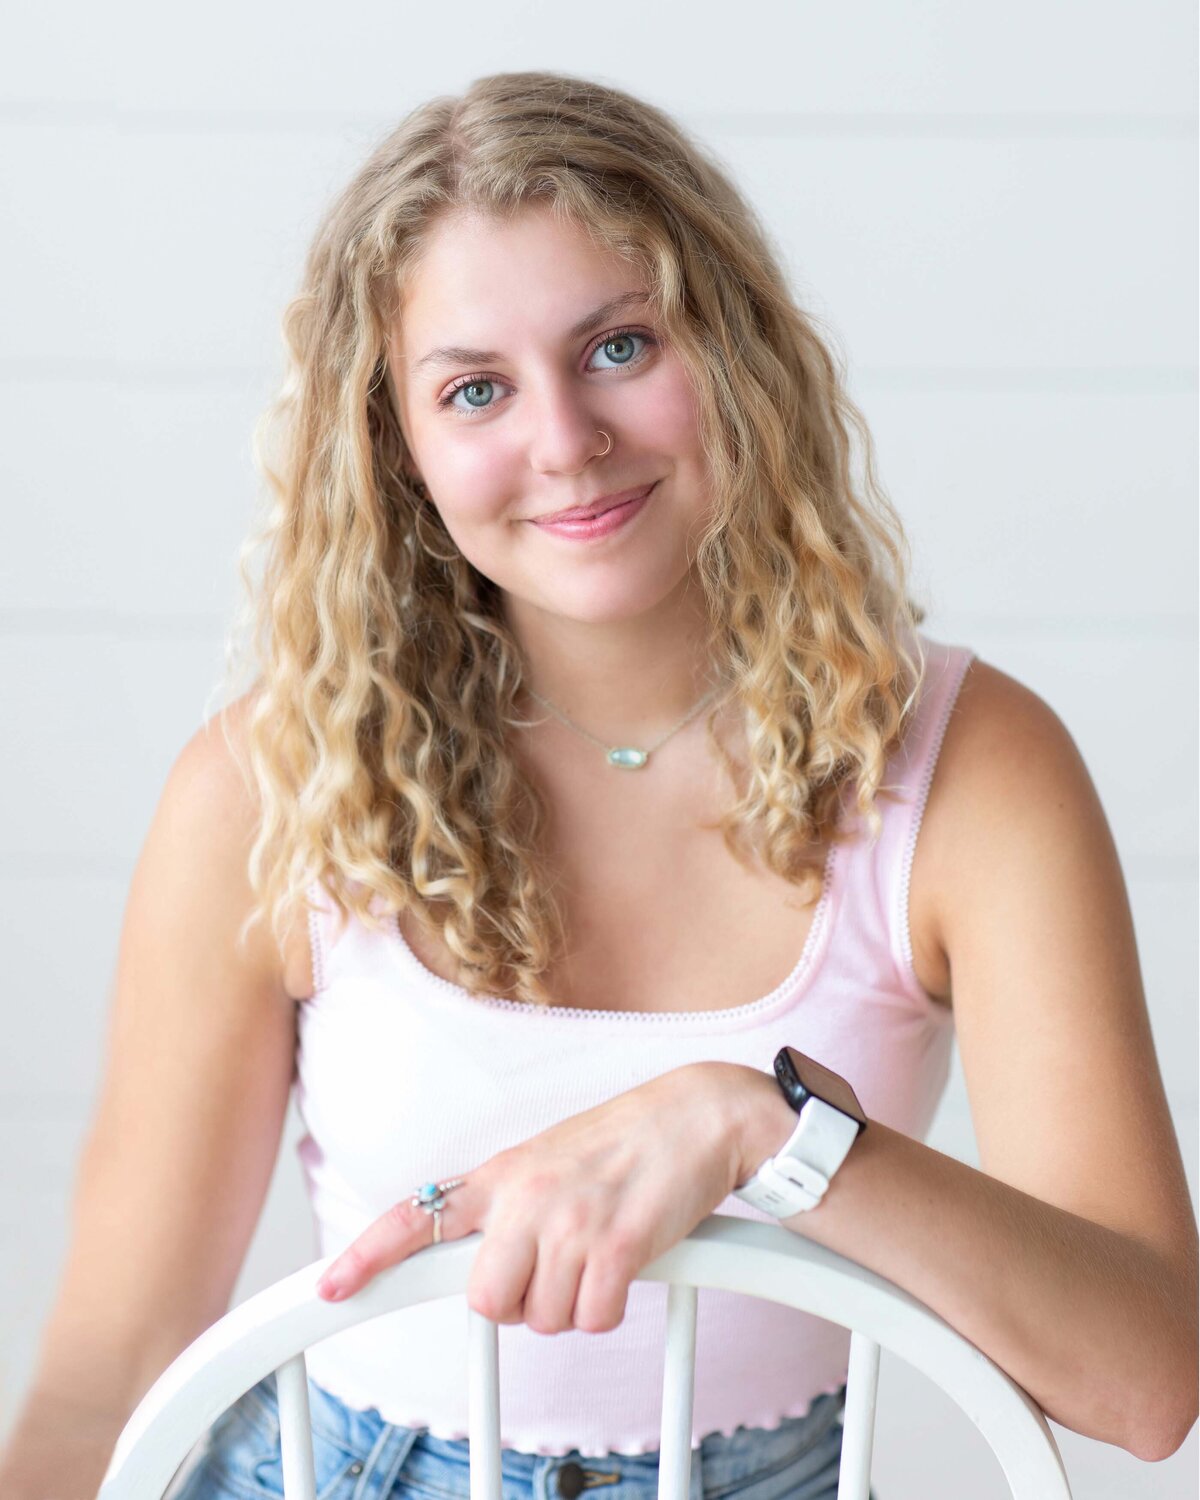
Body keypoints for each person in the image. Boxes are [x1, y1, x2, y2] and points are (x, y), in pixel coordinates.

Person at [2, 70, 1195, 1500]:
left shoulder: (969, 768)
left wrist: (759, 1123)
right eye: (477, 390)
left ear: (736, 352)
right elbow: (107, 1370)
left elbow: (1144, 1385)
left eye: (620, 345)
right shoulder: (272, 785)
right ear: (397, 445)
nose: (565, 442)